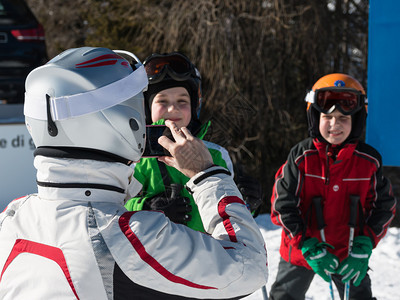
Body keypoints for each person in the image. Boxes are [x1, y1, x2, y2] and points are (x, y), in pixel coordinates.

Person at [0, 47, 268, 299]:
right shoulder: (128, 237)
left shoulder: (11, 220)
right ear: (124, 122)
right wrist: (209, 176)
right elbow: (249, 267)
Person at [269, 73, 396, 300]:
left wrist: (366, 242)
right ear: (315, 117)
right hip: (303, 250)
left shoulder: (369, 161)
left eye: (343, 118)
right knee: (284, 297)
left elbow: (383, 206)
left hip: (349, 254)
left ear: (356, 120)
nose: (335, 125)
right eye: (328, 117)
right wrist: (305, 244)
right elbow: (282, 205)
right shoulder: (301, 158)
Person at [125, 52, 263, 232]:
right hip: (154, 255)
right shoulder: (136, 158)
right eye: (162, 101)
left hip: (208, 253)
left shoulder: (215, 154)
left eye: (182, 101)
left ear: (194, 106)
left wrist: (249, 202)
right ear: (146, 108)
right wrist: (149, 207)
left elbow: (231, 213)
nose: (173, 108)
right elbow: (119, 208)